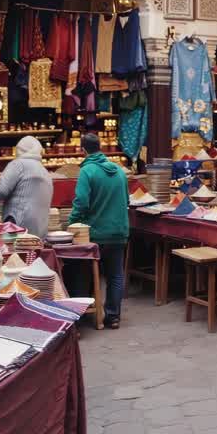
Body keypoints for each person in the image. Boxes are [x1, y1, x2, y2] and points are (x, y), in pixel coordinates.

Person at [68, 133, 130, 329]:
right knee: (115, 275)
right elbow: (127, 201)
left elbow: (81, 203)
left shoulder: (87, 172)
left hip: (95, 234)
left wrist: (72, 223)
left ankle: (81, 315)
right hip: (119, 232)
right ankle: (113, 317)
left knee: (82, 272)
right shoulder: (119, 171)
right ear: (100, 147)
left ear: (83, 150)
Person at [0, 136, 52, 238]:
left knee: (14, 252)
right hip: (40, 229)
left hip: (18, 225)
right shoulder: (44, 171)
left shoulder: (18, 165)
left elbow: (0, 190)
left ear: (19, 150)